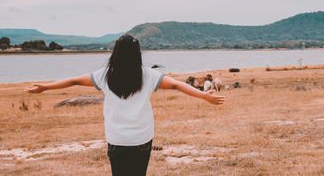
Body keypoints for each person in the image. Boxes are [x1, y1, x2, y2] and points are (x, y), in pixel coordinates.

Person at [24, 34, 225, 175]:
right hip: (142, 139)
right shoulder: (148, 74)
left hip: (116, 140)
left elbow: (74, 81)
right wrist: (203, 96)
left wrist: (45, 87)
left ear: (116, 53)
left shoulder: (104, 75)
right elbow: (176, 85)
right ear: (137, 53)